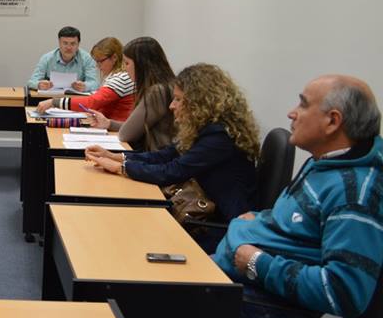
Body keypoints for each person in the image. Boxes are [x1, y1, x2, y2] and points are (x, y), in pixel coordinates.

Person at [213, 75, 383, 318]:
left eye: (303, 105)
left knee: (153, 307)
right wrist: (259, 219)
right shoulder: (325, 163)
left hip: (273, 309)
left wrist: (259, 264)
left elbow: (344, 292)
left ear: (333, 121)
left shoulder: (354, 195)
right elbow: (298, 224)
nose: (292, 113)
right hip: (245, 281)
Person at [85, 63, 259, 251]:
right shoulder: (206, 129)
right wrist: (115, 156)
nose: (171, 106)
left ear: (198, 103)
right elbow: (166, 155)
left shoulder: (218, 137)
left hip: (220, 228)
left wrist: (121, 168)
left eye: (178, 100)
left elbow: (172, 171)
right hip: (203, 213)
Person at [83, 36, 176, 151]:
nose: (125, 69)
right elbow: (133, 128)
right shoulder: (168, 85)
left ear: (141, 65)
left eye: (127, 63)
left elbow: (126, 134)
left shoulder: (157, 92)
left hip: (156, 158)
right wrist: (108, 123)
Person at [36, 37, 135, 122]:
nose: (97, 66)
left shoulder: (121, 78)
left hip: (117, 133)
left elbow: (92, 102)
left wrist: (54, 102)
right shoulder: (118, 76)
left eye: (100, 61)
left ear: (114, 58)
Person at [27, 25, 100, 92]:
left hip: (76, 99)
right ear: (59, 43)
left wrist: (85, 86)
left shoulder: (87, 59)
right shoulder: (47, 58)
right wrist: (39, 85)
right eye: (65, 43)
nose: (68, 47)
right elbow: (31, 82)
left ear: (78, 44)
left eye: (73, 44)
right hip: (51, 98)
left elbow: (95, 84)